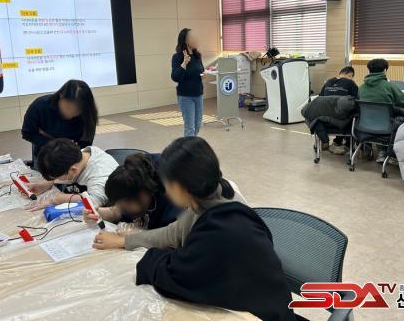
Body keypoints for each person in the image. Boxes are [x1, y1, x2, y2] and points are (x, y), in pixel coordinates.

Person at [91, 137, 295, 321]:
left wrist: (148, 259)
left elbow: (176, 274)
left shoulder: (217, 228)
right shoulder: (208, 199)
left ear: (178, 187)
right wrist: (125, 241)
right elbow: (173, 232)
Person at [83, 153, 182, 230]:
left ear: (143, 194)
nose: (124, 209)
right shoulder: (132, 189)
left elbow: (171, 238)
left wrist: (137, 236)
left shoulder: (173, 200)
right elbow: (118, 211)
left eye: (126, 206)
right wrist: (99, 214)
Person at [21, 80, 98, 169]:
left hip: (72, 155)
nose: (71, 114)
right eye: (68, 107)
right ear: (61, 96)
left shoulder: (88, 114)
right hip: (45, 151)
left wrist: (74, 154)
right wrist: (55, 144)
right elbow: (27, 133)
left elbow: (86, 143)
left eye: (77, 111)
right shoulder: (40, 106)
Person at [27, 138, 118, 210]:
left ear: (73, 170)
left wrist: (57, 199)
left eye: (56, 177)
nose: (56, 179)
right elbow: (64, 172)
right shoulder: (77, 157)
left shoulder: (100, 172)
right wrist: (47, 183)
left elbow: (94, 202)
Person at [358, 58, 404, 163]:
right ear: (385, 70)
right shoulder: (389, 86)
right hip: (386, 126)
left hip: (364, 125)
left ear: (369, 70)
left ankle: (379, 150)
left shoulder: (361, 87)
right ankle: (393, 153)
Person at [171, 28, 205, 137]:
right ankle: (189, 147)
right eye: (192, 37)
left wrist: (203, 75)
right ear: (185, 40)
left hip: (198, 94)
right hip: (185, 96)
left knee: (198, 124)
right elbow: (175, 77)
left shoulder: (197, 56)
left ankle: (191, 144)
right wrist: (184, 64)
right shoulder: (177, 57)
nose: (196, 39)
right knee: (190, 127)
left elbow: (201, 70)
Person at [319, 66, 358, 154]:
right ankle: (348, 144)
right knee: (354, 114)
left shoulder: (328, 82)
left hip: (326, 121)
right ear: (349, 74)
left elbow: (320, 98)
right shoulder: (350, 83)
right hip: (343, 121)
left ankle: (337, 141)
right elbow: (357, 100)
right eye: (351, 76)